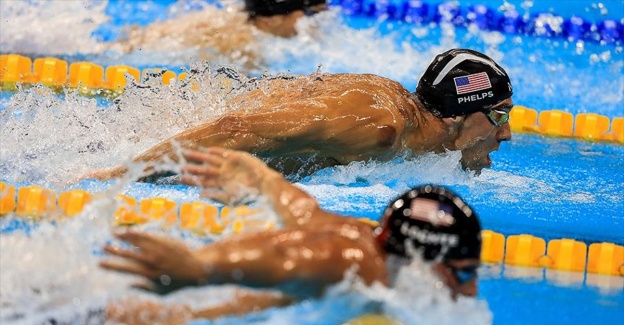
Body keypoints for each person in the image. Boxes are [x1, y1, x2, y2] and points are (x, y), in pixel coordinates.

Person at [100, 146, 483, 324]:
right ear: (421, 258)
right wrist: (201, 267)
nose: (470, 290)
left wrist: (265, 180)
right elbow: (291, 258)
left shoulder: (366, 239)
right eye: (463, 273)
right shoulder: (352, 263)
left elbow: (306, 214)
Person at [87, 48, 513, 181]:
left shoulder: (405, 117)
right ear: (460, 117)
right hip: (155, 144)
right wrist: (117, 176)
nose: (507, 134)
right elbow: (236, 127)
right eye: (498, 116)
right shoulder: (377, 127)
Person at [106, 0, 328, 68]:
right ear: (271, 19)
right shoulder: (242, 46)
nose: (313, 25)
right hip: (121, 60)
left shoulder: (232, 19)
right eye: (308, 15)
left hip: (127, 45)